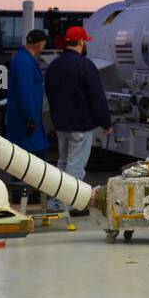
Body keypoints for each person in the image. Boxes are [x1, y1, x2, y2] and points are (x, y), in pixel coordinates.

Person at [43, 25, 111, 215]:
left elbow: (49, 92)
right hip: (81, 124)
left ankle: (56, 201)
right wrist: (105, 122)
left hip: (61, 123)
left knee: (63, 163)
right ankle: (69, 203)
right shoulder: (85, 66)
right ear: (81, 42)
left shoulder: (54, 65)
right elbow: (97, 97)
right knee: (76, 166)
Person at [5, 29, 48, 154]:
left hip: (24, 121)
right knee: (30, 162)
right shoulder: (25, 62)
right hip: (26, 124)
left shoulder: (22, 58)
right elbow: (24, 93)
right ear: (39, 44)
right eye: (44, 43)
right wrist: (30, 119)